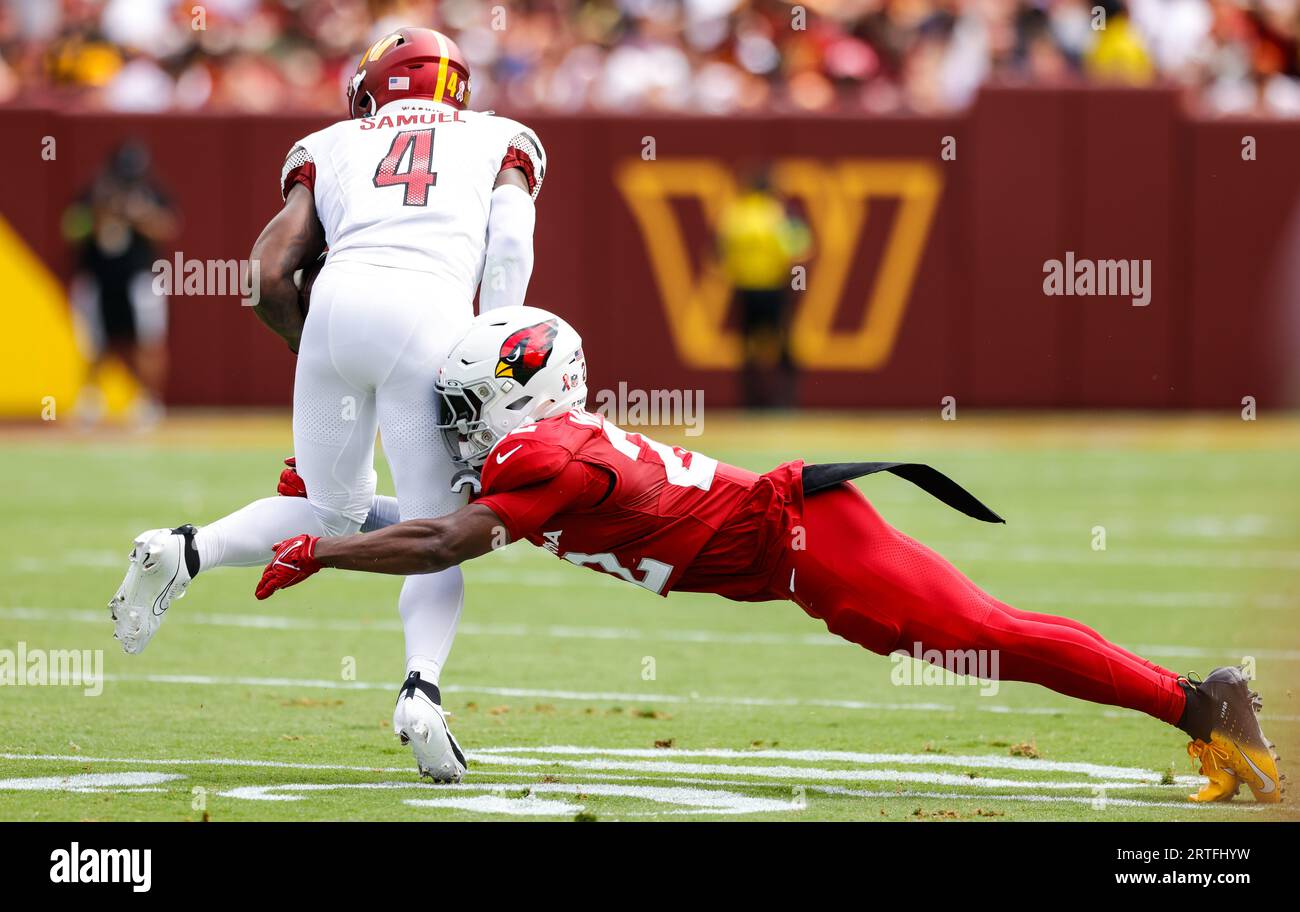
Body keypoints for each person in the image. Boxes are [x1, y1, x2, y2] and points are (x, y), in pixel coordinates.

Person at [255, 305, 1282, 803]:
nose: (455, 422)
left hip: (807, 543)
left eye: (466, 404)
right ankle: (1197, 702)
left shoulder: (546, 456)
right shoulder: (540, 452)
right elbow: (440, 518)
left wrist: (326, 545)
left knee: (987, 637)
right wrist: (340, 504)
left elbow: (442, 538)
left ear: (517, 396)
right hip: (796, 553)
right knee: (981, 638)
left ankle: (1201, 702)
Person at [107, 28, 546, 780]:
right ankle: (421, 689)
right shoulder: (500, 135)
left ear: (378, 83)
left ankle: (185, 548)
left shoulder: (334, 141)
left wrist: (313, 349)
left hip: (337, 306)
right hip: (431, 312)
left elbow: (269, 275)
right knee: (434, 531)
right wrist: (498, 340)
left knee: (332, 507)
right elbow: (507, 242)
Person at [64, 141, 177, 426]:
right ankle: (91, 401)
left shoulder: (149, 193)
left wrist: (140, 216)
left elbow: (170, 226)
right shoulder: (95, 192)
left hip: (138, 278)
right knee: (94, 343)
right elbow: (71, 228)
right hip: (99, 279)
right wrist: (99, 216)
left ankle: (148, 402)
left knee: (147, 341)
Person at [716, 168, 810, 409]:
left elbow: (718, 253)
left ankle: (750, 401)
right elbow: (799, 248)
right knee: (782, 342)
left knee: (747, 346)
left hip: (745, 289)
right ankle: (787, 400)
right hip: (773, 289)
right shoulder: (777, 213)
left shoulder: (734, 214)